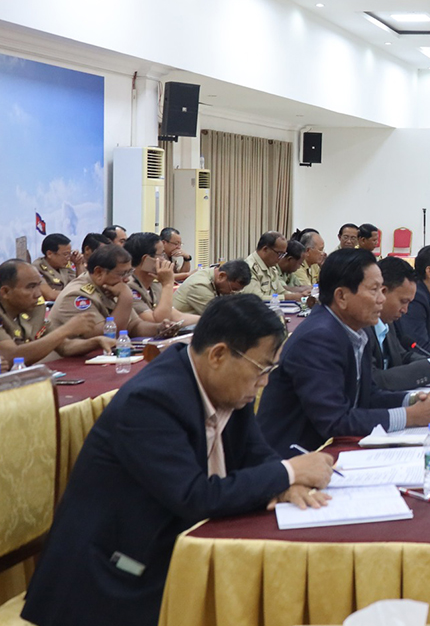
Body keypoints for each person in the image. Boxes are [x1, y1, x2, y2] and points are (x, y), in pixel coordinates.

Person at [20, 294, 335, 626]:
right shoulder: (151, 400)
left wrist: (284, 484)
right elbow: (194, 497)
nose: (265, 381)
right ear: (218, 355)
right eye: (262, 368)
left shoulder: (226, 386)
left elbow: (256, 454)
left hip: (171, 551)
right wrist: (287, 473)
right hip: (111, 580)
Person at [256, 249, 430, 456]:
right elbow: (335, 421)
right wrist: (410, 416)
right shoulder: (318, 338)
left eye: (382, 290)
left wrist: (413, 401)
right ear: (341, 296)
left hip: (329, 451)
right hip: (294, 458)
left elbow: (368, 396)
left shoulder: (356, 330)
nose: (381, 299)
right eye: (374, 290)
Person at [368, 256, 430, 391]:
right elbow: (374, 379)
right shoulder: (362, 329)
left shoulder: (387, 321)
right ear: (383, 292)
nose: (405, 310)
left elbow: (402, 356)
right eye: (403, 302)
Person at [0, 259, 111, 364]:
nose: (38, 294)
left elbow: (64, 347)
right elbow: (11, 356)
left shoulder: (35, 309)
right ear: (5, 292)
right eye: (31, 287)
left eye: (38, 285)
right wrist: (66, 329)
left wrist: (96, 342)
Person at [46, 243, 144, 335]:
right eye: (122, 274)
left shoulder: (113, 287)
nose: (127, 279)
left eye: (129, 272)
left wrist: (154, 329)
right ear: (99, 272)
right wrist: (126, 298)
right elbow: (108, 334)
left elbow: (135, 325)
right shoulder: (76, 295)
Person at [123, 231, 193, 328]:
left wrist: (208, 321)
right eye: (161, 255)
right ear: (146, 259)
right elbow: (159, 323)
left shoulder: (154, 284)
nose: (164, 260)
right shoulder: (129, 286)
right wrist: (168, 284)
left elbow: (177, 316)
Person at [174, 259, 252, 316]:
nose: (232, 293)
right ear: (222, 276)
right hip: (178, 330)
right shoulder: (200, 285)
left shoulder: (215, 276)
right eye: (233, 289)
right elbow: (219, 317)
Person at [35, 233, 80, 302]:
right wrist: (77, 294)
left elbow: (81, 285)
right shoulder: (36, 268)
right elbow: (50, 295)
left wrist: (78, 264)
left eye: (69, 254)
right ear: (49, 254)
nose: (68, 258)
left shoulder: (64, 267)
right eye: (65, 254)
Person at [246, 231, 289, 299]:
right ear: (265, 249)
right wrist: (286, 298)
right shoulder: (249, 268)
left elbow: (281, 292)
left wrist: (299, 296)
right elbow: (256, 299)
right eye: (279, 254)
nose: (280, 258)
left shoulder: (272, 267)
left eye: (283, 255)